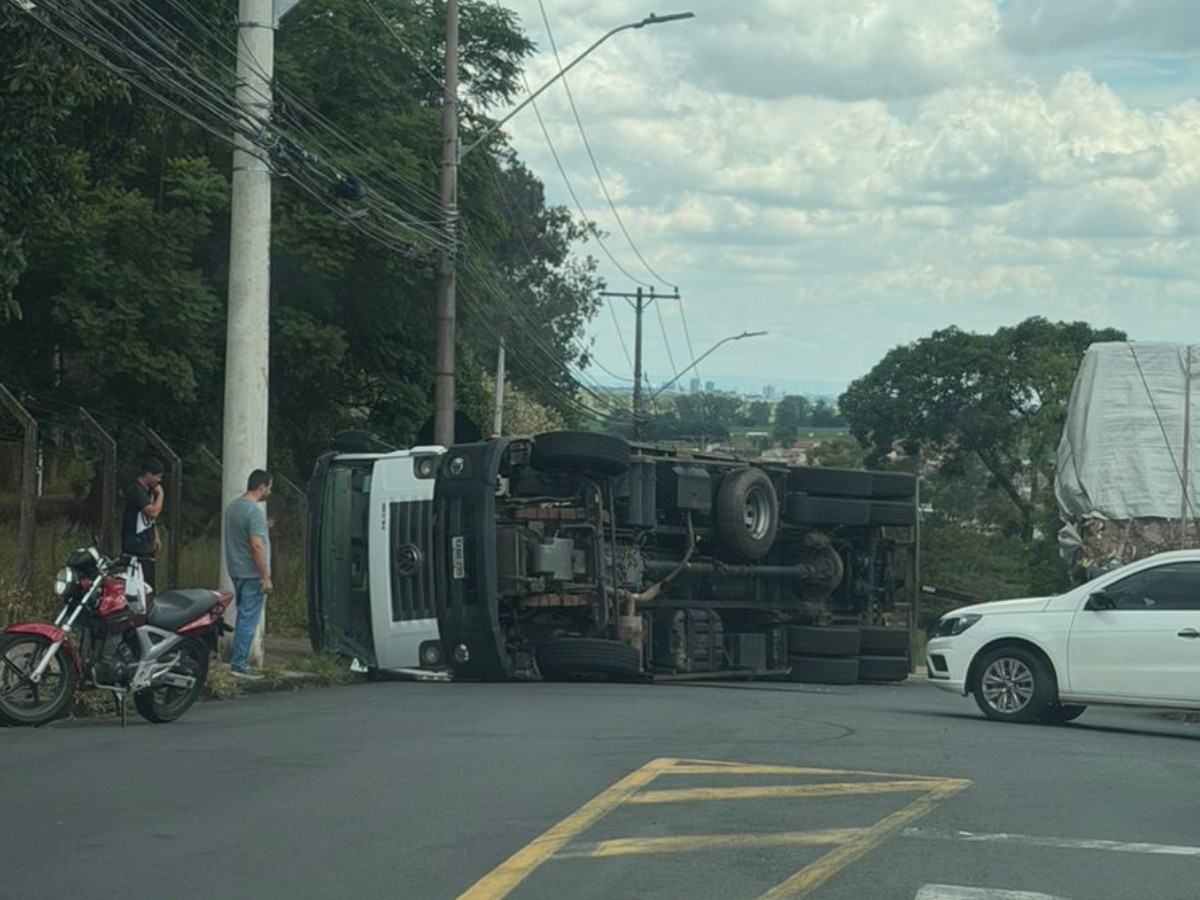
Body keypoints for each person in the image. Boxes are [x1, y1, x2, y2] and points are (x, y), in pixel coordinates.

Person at [224, 469, 273, 680]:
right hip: (252, 573)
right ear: (261, 487)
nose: (270, 491)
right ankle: (240, 664)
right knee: (248, 619)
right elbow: (256, 545)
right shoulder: (254, 512)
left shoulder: (232, 508)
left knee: (243, 614)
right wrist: (265, 576)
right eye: (269, 487)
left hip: (236, 569)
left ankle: (239, 662)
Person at [121, 459, 165, 591]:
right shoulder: (136, 491)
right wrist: (161, 494)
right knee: (139, 588)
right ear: (148, 475)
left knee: (149, 587)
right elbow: (152, 512)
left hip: (146, 546)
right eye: (157, 477)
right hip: (135, 547)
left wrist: (154, 535)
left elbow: (147, 519)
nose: (159, 481)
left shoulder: (147, 492)